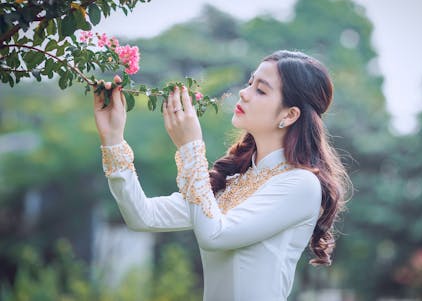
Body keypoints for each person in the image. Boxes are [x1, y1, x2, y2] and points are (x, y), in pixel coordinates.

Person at [93, 50, 351, 301]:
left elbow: (214, 235)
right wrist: (113, 139)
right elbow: (143, 216)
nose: (243, 92)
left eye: (261, 90)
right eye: (250, 83)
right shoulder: (233, 182)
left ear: (290, 114)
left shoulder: (300, 184)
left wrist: (190, 148)